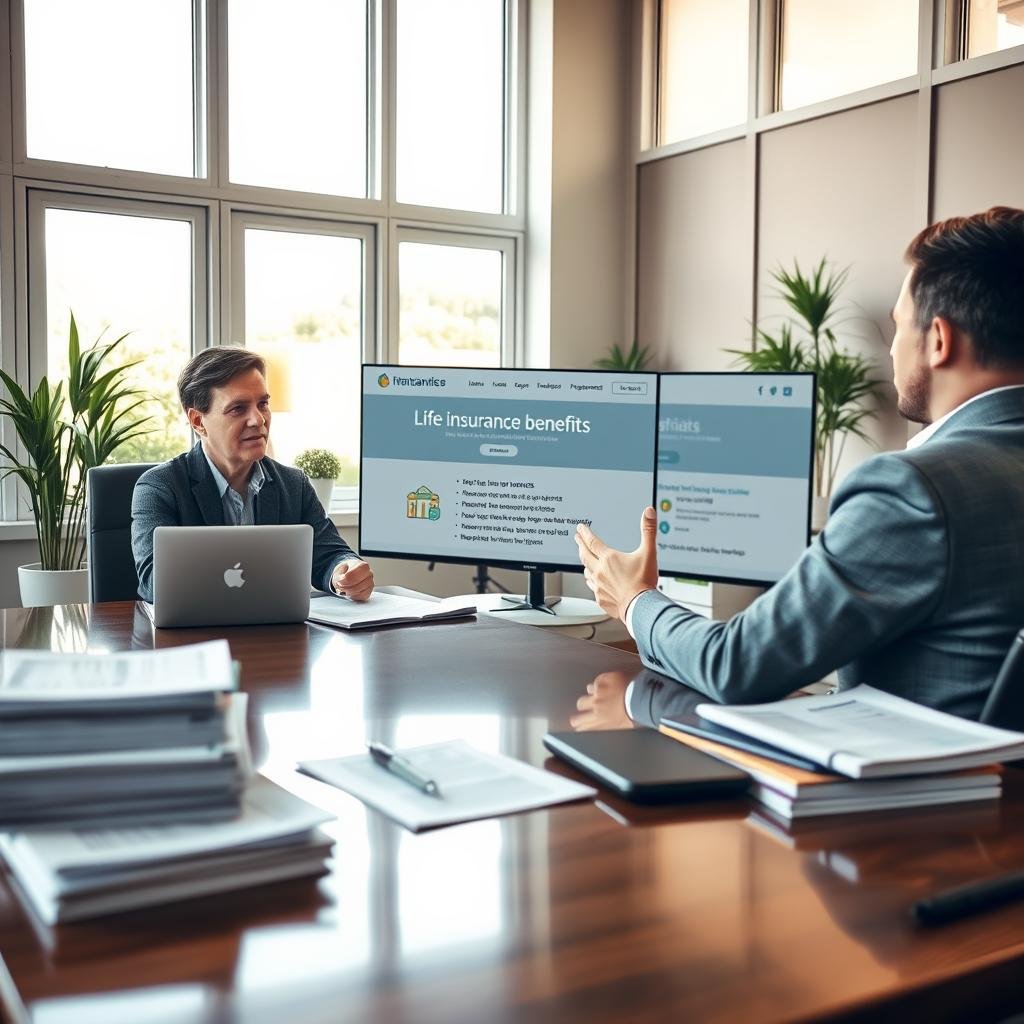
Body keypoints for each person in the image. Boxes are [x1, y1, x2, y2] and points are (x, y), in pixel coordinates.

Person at [576, 206, 1024, 719]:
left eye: (897, 327)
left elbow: (738, 665)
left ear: (939, 341)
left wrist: (635, 602)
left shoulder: (915, 490)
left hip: (905, 794)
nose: (893, 348)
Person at [131, 347, 374, 604]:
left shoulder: (293, 485)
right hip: (193, 639)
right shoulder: (159, 488)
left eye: (263, 404)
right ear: (198, 421)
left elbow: (329, 553)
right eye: (238, 408)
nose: (258, 420)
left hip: (275, 636)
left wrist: (344, 572)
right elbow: (155, 582)